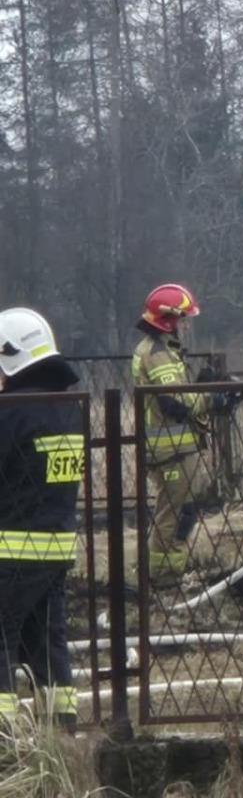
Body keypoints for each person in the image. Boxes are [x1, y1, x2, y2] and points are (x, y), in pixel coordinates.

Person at [0, 308, 84, 729]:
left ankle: (4, 736)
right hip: (56, 548)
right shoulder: (67, 408)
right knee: (47, 642)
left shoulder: (11, 411)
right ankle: (63, 729)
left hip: (10, 549)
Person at [130, 283, 233, 578]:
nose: (186, 325)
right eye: (183, 319)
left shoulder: (164, 350)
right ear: (168, 319)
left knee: (184, 510)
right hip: (169, 450)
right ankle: (162, 576)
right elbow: (174, 401)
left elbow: (175, 394)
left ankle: (169, 570)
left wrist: (201, 385)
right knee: (173, 514)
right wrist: (213, 400)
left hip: (177, 449)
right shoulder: (157, 352)